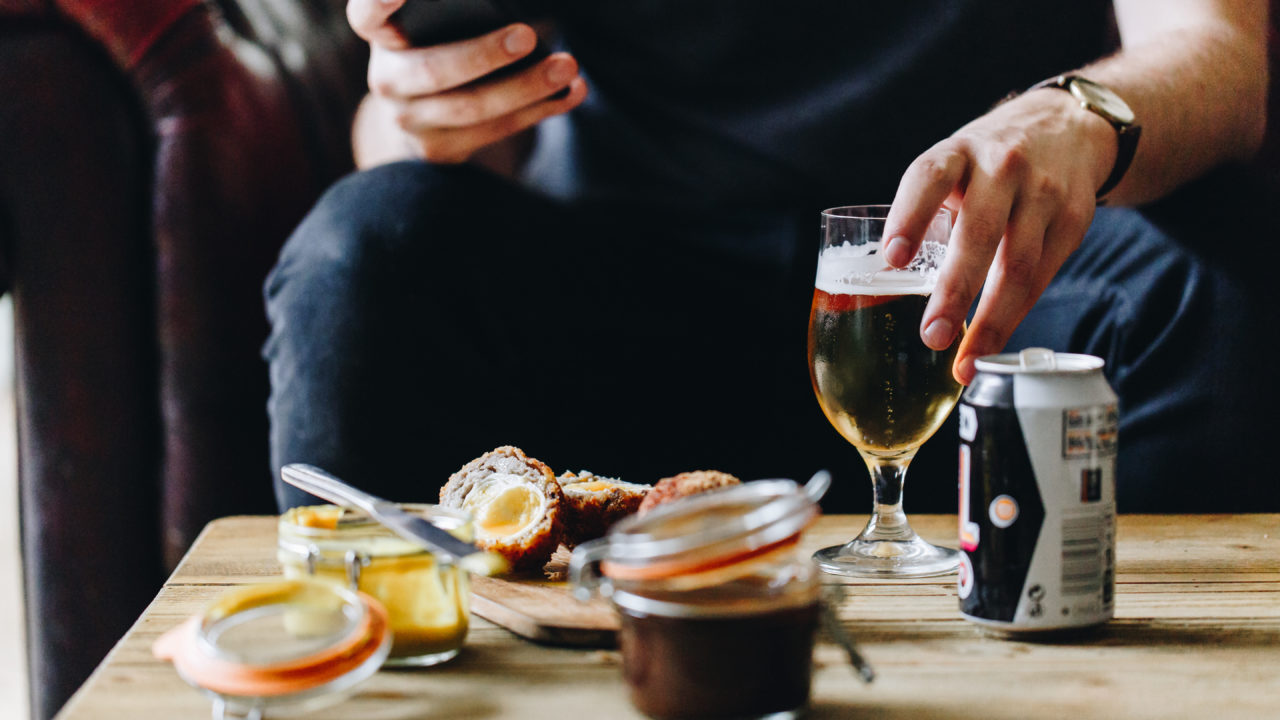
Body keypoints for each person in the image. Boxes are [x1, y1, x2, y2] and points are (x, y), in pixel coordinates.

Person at [265, 0, 1276, 514]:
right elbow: (413, 150)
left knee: (1217, 274)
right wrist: (420, 103)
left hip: (985, 286)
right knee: (363, 253)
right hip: (637, 291)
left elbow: (1219, 54)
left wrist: (1081, 112)